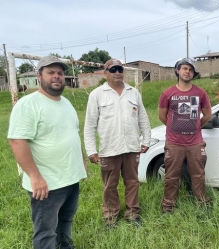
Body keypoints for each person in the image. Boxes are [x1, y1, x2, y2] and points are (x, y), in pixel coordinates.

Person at [8, 55, 88, 249]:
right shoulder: (28, 104)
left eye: (60, 73)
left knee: (65, 224)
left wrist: (81, 162)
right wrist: (35, 177)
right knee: (45, 232)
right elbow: (17, 141)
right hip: (46, 185)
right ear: (39, 75)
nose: (56, 76)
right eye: (50, 72)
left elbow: (72, 135)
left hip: (70, 179)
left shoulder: (66, 103)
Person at [84, 58, 151, 227]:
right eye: (113, 69)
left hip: (131, 147)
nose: (117, 72)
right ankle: (111, 217)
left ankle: (132, 214)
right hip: (109, 149)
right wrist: (91, 150)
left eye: (120, 69)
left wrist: (147, 139)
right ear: (105, 73)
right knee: (109, 186)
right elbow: (89, 125)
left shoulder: (133, 92)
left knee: (133, 182)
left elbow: (143, 118)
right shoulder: (97, 94)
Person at [158, 58, 212, 213]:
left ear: (193, 74)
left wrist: (195, 127)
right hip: (174, 143)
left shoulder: (200, 93)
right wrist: (175, 127)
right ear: (177, 71)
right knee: (171, 177)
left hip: (195, 143)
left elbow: (207, 115)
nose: (187, 72)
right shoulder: (167, 93)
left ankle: (202, 204)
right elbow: (162, 115)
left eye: (191, 70)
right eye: (185, 68)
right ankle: (168, 206)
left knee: (198, 175)